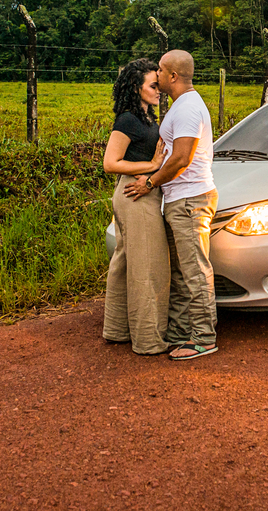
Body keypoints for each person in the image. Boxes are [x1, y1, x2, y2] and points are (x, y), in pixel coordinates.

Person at [124, 49, 219, 361]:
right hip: (180, 199)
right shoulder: (182, 106)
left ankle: (204, 337)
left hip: (190, 199)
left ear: (173, 76)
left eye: (161, 71)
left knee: (194, 269)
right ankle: (179, 333)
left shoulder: (189, 108)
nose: (157, 75)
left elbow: (181, 158)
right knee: (180, 272)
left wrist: (150, 182)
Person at [102, 58, 169, 355]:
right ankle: (149, 340)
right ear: (135, 87)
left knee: (126, 260)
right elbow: (110, 163)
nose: (159, 90)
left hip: (136, 193)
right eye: (154, 86)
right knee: (147, 266)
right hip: (135, 194)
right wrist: (153, 165)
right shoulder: (128, 119)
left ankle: (117, 330)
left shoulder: (145, 118)